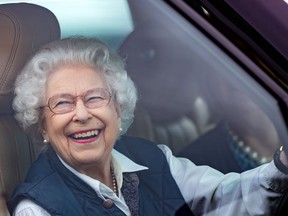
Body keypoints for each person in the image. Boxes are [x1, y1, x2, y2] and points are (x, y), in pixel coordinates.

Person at [6, 37, 288, 216]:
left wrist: (283, 163)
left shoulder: (155, 159)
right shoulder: (37, 208)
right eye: (62, 103)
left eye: (95, 97)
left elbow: (230, 198)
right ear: (42, 125)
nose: (81, 114)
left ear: (118, 108)